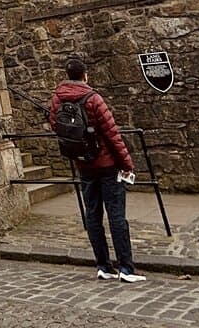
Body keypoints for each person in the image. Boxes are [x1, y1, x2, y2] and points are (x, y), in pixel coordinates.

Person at [50, 57, 145, 283]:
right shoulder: (93, 98)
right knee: (117, 216)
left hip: (83, 164)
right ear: (85, 75)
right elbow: (112, 135)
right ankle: (126, 268)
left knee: (92, 215)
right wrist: (126, 164)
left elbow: (58, 128)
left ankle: (103, 265)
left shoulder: (56, 99)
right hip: (107, 165)